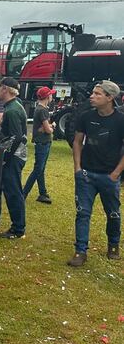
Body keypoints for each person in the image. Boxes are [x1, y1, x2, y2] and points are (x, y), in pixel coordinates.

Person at [68, 80, 124, 267]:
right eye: (93, 93)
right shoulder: (85, 116)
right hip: (86, 175)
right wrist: (77, 168)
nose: (92, 96)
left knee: (113, 213)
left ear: (110, 98)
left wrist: (116, 174)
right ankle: (80, 251)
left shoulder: (121, 120)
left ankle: (113, 245)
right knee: (82, 213)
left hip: (109, 176)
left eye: (97, 94)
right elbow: (77, 141)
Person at [0, 77, 28, 239]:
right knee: (4, 188)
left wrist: (6, 157)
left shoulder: (12, 110)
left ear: (5, 89)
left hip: (13, 157)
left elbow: (16, 137)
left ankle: (18, 228)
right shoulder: (12, 106)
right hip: (13, 155)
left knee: (13, 191)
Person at [23, 86, 56, 203]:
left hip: (42, 142)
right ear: (47, 97)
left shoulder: (39, 109)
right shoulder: (43, 110)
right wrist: (53, 126)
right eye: (51, 94)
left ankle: (43, 193)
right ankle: (23, 194)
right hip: (43, 142)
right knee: (38, 170)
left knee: (40, 169)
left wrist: (47, 127)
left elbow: (43, 128)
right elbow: (48, 129)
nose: (52, 96)